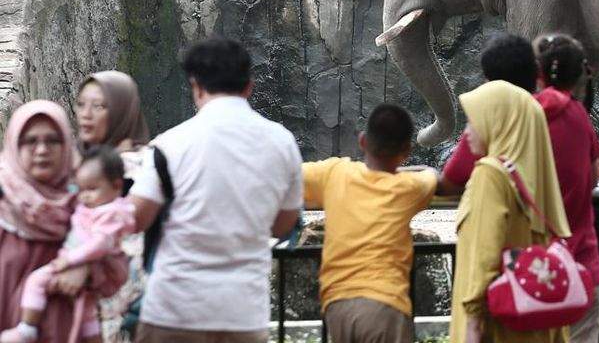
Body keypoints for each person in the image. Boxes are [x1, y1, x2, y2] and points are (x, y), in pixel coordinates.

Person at [128, 37, 303, 343]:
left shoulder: (170, 145)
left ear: (195, 86)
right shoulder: (283, 143)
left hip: (174, 311)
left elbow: (137, 217)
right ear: (249, 85)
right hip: (242, 315)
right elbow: (283, 225)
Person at [303, 103, 440, 343]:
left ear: (363, 141)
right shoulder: (409, 187)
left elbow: (287, 174)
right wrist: (409, 171)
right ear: (407, 151)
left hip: (338, 306)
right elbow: (432, 175)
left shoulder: (334, 172)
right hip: (385, 305)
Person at [450, 80, 570, 343]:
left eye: (473, 121)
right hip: (536, 324)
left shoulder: (489, 175)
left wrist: (473, 323)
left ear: (498, 123)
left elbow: (484, 255)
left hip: (496, 327)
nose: (467, 132)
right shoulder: (537, 174)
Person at [2, 148, 135, 343]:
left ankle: (27, 329)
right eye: (81, 189)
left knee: (40, 284)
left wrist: (79, 264)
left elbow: (105, 247)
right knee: (87, 312)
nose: (42, 150)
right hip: (11, 309)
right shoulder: (8, 205)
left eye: (53, 141)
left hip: (73, 275)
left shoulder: (105, 212)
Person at [531, 34, 599, 342]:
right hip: (583, 271)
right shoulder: (580, 117)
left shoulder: (525, 116)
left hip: (534, 273)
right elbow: (594, 176)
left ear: (538, 72)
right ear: (580, 74)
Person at [74, 70, 150, 343]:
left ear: (121, 110)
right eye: (81, 104)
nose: (86, 114)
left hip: (124, 307)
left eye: (99, 106)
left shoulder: (141, 169)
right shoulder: (79, 165)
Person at [0, 101, 79, 342]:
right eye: (30, 141)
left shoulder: (87, 204)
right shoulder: (4, 209)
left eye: (52, 140)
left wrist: (88, 269)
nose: (42, 150)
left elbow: (116, 272)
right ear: (14, 145)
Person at [442, 32, 537, 192]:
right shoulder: (548, 112)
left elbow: (450, 182)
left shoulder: (486, 119)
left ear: (488, 81)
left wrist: (427, 174)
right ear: (536, 73)